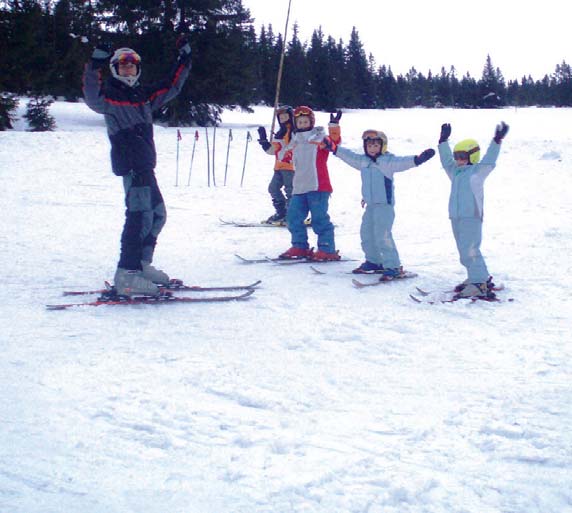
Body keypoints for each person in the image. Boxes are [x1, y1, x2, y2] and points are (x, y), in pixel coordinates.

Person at [83, 37, 192, 296]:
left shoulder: (144, 96)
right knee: (138, 217)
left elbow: (172, 86)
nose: (128, 69)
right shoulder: (109, 96)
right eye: (123, 66)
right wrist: (95, 62)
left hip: (146, 167)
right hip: (132, 168)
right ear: (115, 69)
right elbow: (91, 94)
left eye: (132, 66)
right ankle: (126, 274)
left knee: (157, 215)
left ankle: (141, 264)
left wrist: (184, 58)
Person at [328, 129, 435, 277]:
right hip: (370, 206)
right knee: (366, 234)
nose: (372, 149)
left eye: (376, 146)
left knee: (382, 235)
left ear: (382, 146)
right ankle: (374, 261)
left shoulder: (387, 162)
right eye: (369, 146)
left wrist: (418, 159)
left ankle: (393, 266)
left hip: (384, 206)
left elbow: (403, 162)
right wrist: (334, 149)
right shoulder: (363, 161)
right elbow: (349, 157)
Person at [437, 121, 509, 298]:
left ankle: (478, 284)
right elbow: (446, 161)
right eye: (457, 156)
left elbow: (490, 159)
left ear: (472, 156)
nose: (458, 160)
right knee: (464, 251)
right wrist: (443, 142)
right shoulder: (455, 172)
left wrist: (497, 140)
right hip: (456, 216)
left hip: (471, 216)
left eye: (462, 156)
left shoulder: (478, 171)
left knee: (471, 250)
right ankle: (478, 276)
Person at [278, 106, 342, 261]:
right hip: (299, 186)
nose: (302, 124)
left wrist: (333, 127)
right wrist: (280, 138)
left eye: (305, 121)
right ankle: (299, 246)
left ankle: (327, 249)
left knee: (319, 219)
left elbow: (334, 143)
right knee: (293, 217)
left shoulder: (318, 137)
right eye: (299, 122)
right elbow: (283, 157)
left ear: (311, 122)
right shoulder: (294, 141)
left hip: (318, 186)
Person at [257, 106, 295, 225]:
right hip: (278, 167)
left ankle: (292, 214)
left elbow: (292, 147)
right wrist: (264, 141)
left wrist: (283, 138)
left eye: (285, 116)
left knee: (290, 191)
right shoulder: (280, 132)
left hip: (290, 167)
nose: (283, 119)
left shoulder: (294, 132)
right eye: (280, 117)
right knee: (273, 188)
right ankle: (281, 212)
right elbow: (272, 151)